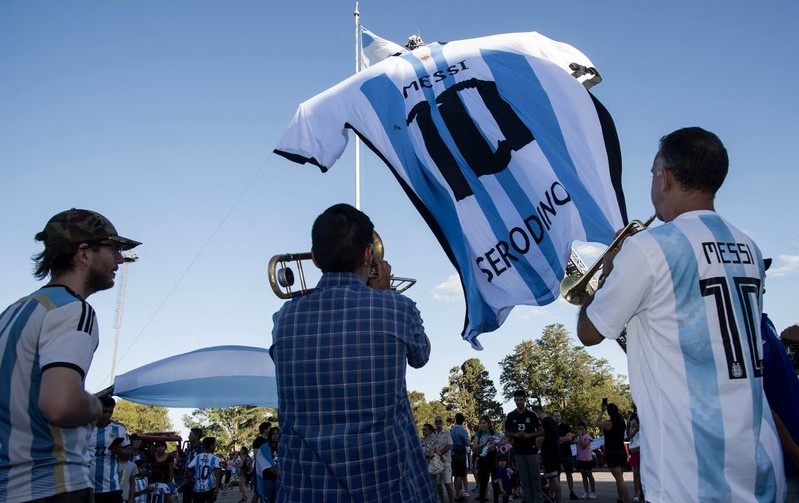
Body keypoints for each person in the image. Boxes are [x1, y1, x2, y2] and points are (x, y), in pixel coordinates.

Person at [577, 127, 785, 502]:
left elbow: (590, 332)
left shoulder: (648, 248)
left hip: (689, 468)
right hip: (757, 457)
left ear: (666, 176)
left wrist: (603, 279)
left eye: (653, 172)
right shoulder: (749, 247)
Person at [270, 203, 435, 502]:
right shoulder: (397, 308)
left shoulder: (284, 319)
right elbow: (421, 356)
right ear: (368, 254)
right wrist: (383, 295)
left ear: (316, 257)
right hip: (383, 490)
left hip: (304, 492)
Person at [0, 208, 139, 503]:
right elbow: (60, 405)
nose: (119, 260)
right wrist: (92, 406)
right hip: (56, 486)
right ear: (84, 253)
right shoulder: (74, 310)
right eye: (113, 249)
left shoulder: (11, 314)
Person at [762, 313, 799, 500]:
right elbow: (761, 405)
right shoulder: (746, 333)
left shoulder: (766, 322)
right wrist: (795, 454)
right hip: (786, 467)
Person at [91, 395, 132, 503]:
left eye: (110, 411)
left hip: (111, 487)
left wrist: (120, 451)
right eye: (104, 411)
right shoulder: (83, 427)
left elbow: (129, 453)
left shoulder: (119, 429)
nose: (107, 415)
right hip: (87, 488)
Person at [504, 389, 543, 503]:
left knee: (535, 479)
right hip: (519, 452)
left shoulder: (532, 415)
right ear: (514, 401)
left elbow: (541, 431)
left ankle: (539, 500)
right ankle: (527, 500)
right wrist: (516, 434)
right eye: (517, 400)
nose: (519, 402)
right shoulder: (511, 416)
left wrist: (528, 435)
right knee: (524, 480)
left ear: (525, 400)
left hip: (531, 451)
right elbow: (507, 432)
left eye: (521, 400)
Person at [595, 403, 629, 503]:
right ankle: (620, 498)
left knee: (619, 479)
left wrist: (602, 411)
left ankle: (627, 499)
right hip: (622, 451)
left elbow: (597, 423)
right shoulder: (622, 422)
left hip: (612, 452)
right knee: (620, 477)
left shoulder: (608, 423)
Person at [533, 406, 560, 503]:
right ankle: (554, 498)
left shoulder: (544, 423)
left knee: (553, 477)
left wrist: (534, 450)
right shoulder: (553, 422)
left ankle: (549, 494)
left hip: (549, 453)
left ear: (538, 413)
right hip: (556, 451)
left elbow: (540, 440)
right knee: (554, 476)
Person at [471, 415, 498, 503]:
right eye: (481, 423)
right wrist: (485, 443)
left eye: (484, 423)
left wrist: (493, 445)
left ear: (488, 424)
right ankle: (482, 498)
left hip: (492, 456)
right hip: (482, 457)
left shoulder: (492, 432)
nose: (482, 425)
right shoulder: (478, 433)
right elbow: (474, 447)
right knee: (483, 480)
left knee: (495, 480)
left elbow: (500, 441)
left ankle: (496, 499)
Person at [553, 411, 578, 501]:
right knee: (556, 475)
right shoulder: (551, 427)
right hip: (556, 453)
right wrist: (563, 439)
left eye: (558, 416)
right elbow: (552, 440)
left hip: (566, 452)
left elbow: (569, 438)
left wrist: (558, 439)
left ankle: (572, 492)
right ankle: (557, 495)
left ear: (561, 417)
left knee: (569, 473)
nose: (557, 417)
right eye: (555, 416)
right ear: (553, 417)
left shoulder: (566, 427)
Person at [187, 437, 222, 503]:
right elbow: (218, 476)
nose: (215, 446)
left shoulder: (198, 457)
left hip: (197, 488)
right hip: (210, 488)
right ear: (211, 446)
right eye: (215, 444)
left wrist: (191, 479)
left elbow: (188, 468)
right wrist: (216, 489)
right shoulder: (216, 459)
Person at [433, 415, 455, 503]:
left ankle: (451, 500)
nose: (438, 423)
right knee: (438, 484)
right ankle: (442, 500)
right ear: (434, 423)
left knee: (447, 482)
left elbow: (449, 445)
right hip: (436, 462)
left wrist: (440, 452)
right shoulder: (432, 434)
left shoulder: (446, 432)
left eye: (439, 421)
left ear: (442, 423)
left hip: (446, 460)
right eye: (436, 422)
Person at [179, 427, 204, 503]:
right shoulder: (190, 448)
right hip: (187, 479)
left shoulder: (201, 448)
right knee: (186, 499)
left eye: (190, 435)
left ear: (196, 436)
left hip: (196, 479)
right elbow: (187, 459)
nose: (188, 437)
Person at [450, 413, 471, 502]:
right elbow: (467, 443)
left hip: (453, 453)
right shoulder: (462, 430)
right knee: (461, 475)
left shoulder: (452, 430)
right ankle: (459, 494)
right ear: (463, 421)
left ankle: (457, 493)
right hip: (461, 454)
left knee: (456, 474)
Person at [573, 422, 595, 500]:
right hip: (580, 458)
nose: (581, 430)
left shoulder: (587, 437)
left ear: (585, 429)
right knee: (583, 475)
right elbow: (572, 441)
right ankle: (586, 491)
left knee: (589, 474)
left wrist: (580, 436)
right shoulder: (577, 438)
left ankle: (593, 492)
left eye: (582, 429)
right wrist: (576, 436)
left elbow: (584, 445)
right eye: (579, 429)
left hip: (587, 459)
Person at [627, 416, 642, 502]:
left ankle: (643, 492)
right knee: (635, 472)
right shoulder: (633, 422)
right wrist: (633, 427)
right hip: (635, 450)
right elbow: (629, 436)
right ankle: (636, 493)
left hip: (643, 449)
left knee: (644, 473)